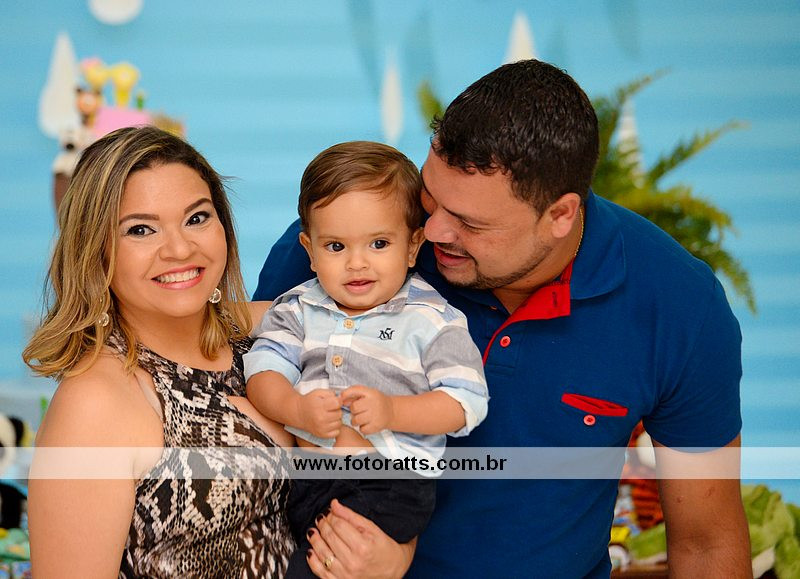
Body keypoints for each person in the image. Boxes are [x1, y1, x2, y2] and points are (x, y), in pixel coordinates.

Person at [253, 60, 751, 577]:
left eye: (469, 222)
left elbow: (707, 544)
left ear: (560, 216)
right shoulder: (353, 240)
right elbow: (245, 429)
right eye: (431, 196)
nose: (433, 230)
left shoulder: (678, 304)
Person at [23, 126, 406, 578]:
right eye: (140, 229)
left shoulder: (278, 329)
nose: (180, 248)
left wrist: (397, 551)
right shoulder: (95, 403)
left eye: (197, 218)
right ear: (95, 251)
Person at [243, 141, 489, 577]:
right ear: (310, 250)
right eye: (336, 246)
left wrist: (393, 410)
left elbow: (464, 402)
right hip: (308, 483)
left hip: (388, 482)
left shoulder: (433, 320)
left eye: (379, 243)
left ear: (412, 246)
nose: (357, 263)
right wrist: (295, 407)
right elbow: (263, 372)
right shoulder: (297, 308)